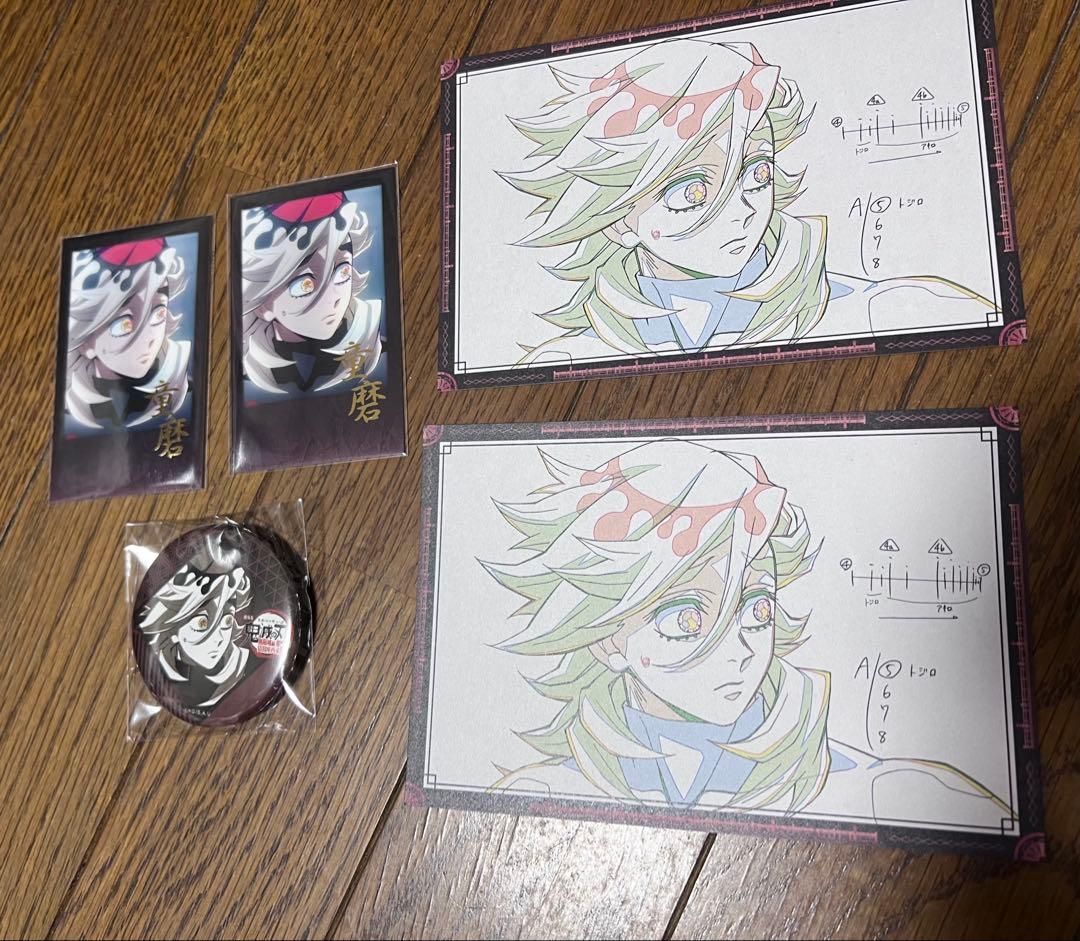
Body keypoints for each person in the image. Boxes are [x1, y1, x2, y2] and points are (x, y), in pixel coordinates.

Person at [485, 440, 1011, 825]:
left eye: (757, 608)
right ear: (607, 640)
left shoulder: (880, 791)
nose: (738, 651)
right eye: (686, 620)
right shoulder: (546, 792)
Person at [501, 39, 996, 362]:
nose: (742, 210)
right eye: (692, 191)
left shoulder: (878, 312)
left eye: (757, 172)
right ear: (617, 221)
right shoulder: (574, 355)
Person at [66, 237, 190, 429]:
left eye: (159, 313)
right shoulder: (70, 412)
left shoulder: (182, 385)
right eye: (123, 325)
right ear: (85, 342)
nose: (150, 338)